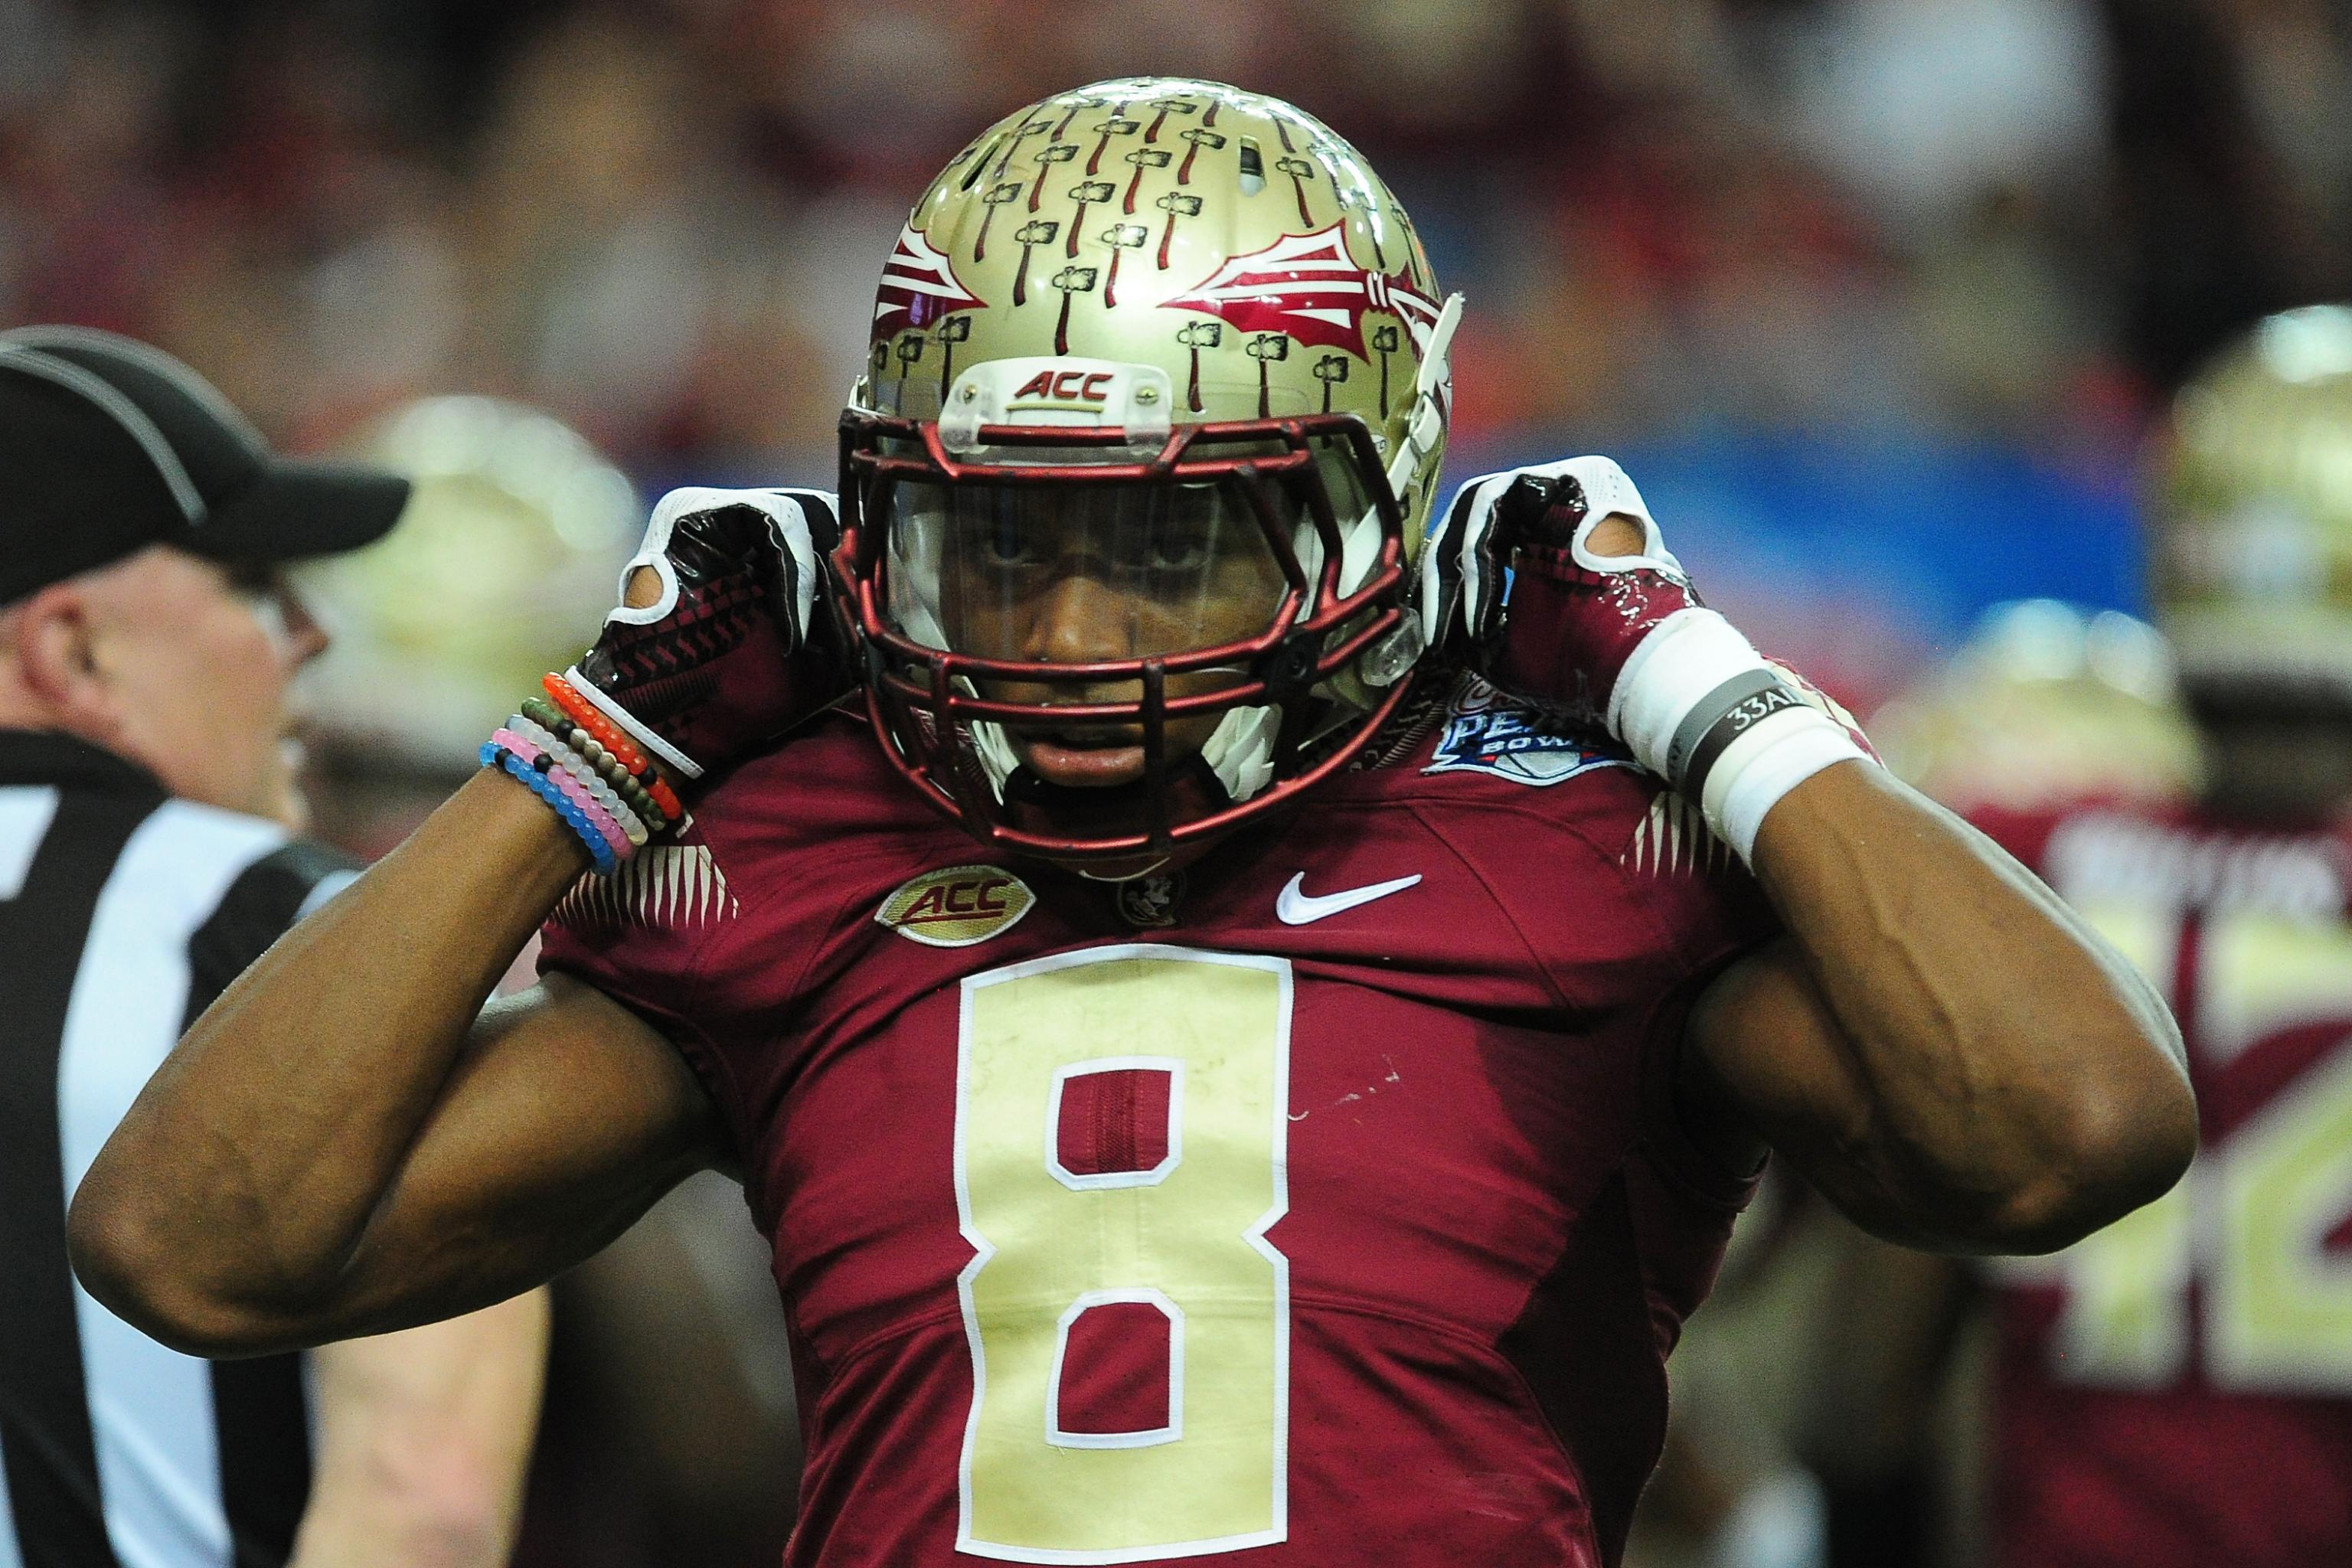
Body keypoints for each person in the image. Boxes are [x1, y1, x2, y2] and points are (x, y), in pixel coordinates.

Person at [67, 80, 2193, 1568]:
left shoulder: (1579, 840)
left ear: (1370, 506)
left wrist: (1690, 684)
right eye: (994, 550)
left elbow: (2072, 1131)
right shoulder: (806, 848)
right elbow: (195, 1244)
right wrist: (597, 742)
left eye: (1166, 549)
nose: (1070, 641)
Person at [0, 326, 547, 1568]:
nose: (308, 634)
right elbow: (423, 1497)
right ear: (74, 652)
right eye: (251, 585)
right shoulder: (323, 948)